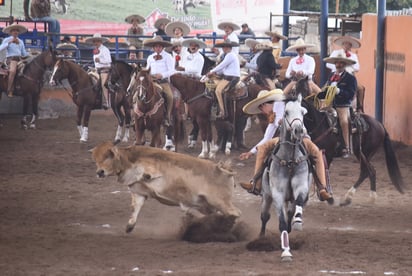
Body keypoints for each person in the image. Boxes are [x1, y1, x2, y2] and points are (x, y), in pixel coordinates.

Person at [238, 89, 333, 202]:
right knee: (262, 148)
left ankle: (322, 188)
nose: (262, 112)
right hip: (281, 139)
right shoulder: (273, 116)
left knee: (317, 153)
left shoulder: (284, 104)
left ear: (265, 104)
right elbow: (266, 137)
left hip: (301, 137)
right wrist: (251, 152)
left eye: (261, 108)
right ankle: (256, 183)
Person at [318, 50, 357, 158]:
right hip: (329, 104)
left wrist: (339, 91)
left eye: (341, 63)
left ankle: (347, 147)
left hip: (342, 105)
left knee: (344, 122)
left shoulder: (350, 78)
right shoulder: (331, 76)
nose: (338, 65)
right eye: (337, 63)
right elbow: (325, 89)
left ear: (344, 64)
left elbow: (351, 94)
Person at [326, 35, 365, 113]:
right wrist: (337, 68)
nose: (347, 46)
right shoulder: (335, 52)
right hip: (335, 75)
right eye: (345, 44)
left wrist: (347, 67)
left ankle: (360, 107)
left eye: (349, 44)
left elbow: (357, 67)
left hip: (348, 76)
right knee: (323, 89)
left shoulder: (353, 55)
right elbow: (328, 64)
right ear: (342, 44)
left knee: (360, 88)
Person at [143, 36, 175, 126]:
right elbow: (147, 68)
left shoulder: (168, 56)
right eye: (156, 46)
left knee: (170, 96)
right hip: (151, 81)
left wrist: (162, 75)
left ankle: (167, 117)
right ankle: (137, 114)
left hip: (163, 82)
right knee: (138, 92)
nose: (158, 48)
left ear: (162, 47)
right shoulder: (150, 57)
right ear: (153, 47)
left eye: (159, 46)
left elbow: (172, 70)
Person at [206, 40, 240, 119]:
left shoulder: (230, 55)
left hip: (230, 77)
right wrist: (216, 73)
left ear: (229, 48)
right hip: (230, 76)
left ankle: (223, 112)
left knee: (218, 90)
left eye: (225, 47)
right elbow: (223, 68)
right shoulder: (229, 55)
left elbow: (222, 65)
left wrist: (212, 71)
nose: (224, 48)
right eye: (223, 47)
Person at [0, 23, 29, 98]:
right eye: (14, 31)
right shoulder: (7, 40)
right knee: (12, 71)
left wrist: (30, 54)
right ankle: (9, 89)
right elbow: (1, 48)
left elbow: (23, 53)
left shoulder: (21, 41)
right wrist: (9, 42)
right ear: (10, 32)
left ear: (18, 32)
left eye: (17, 31)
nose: (15, 32)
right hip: (11, 59)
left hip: (20, 59)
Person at [85, 33, 112, 110]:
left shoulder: (105, 49)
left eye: (97, 41)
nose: (95, 43)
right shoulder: (96, 50)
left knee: (103, 85)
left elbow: (108, 61)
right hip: (97, 69)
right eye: (94, 41)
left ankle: (107, 102)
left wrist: (100, 60)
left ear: (100, 41)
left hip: (105, 69)